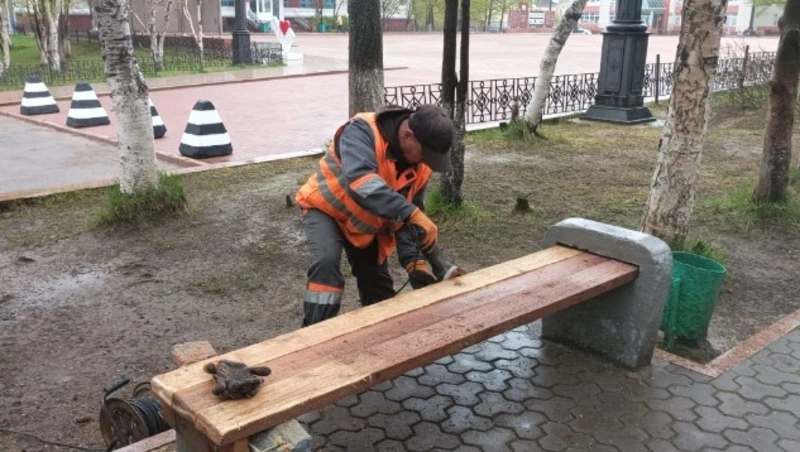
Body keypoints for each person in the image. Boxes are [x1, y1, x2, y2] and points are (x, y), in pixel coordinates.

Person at [295, 104, 460, 327]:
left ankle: (383, 343)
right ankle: (312, 337)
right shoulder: (361, 131)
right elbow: (361, 182)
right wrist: (411, 213)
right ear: (407, 135)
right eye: (424, 154)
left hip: (365, 224)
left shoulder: (421, 163)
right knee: (326, 267)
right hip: (326, 210)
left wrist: (413, 261)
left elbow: (407, 216)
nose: (425, 161)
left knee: (378, 289)